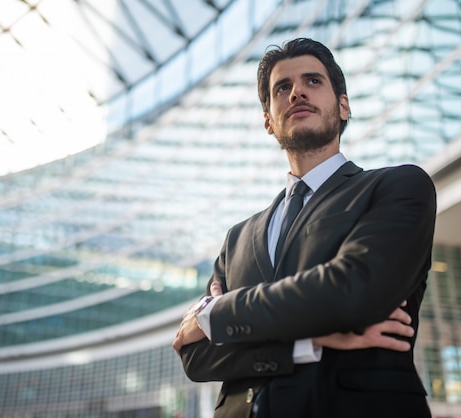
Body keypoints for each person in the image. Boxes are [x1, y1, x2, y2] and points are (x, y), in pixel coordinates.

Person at [173, 38, 436, 418]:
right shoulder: (237, 238)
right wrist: (307, 341)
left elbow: (352, 291)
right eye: (283, 88)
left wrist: (217, 313)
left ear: (342, 105)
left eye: (313, 81)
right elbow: (195, 355)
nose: (297, 91)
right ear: (268, 120)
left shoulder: (398, 187)